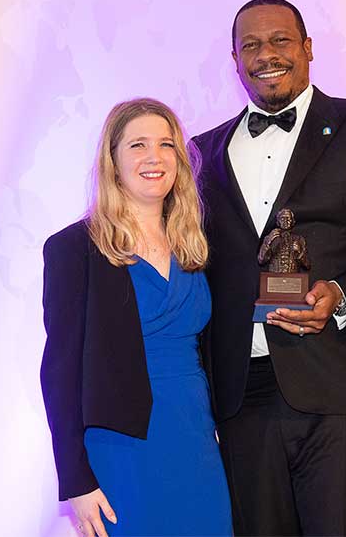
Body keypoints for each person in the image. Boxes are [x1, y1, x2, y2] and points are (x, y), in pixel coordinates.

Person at [192, 0, 346, 536]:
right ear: (234, 59)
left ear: (307, 48)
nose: (266, 55)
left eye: (280, 40)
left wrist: (343, 294)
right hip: (242, 397)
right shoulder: (200, 152)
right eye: (250, 45)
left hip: (344, 388)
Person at [40, 98, 233, 537]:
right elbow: (59, 371)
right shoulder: (75, 248)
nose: (154, 157)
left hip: (197, 439)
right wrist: (75, 479)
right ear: (113, 161)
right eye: (137, 145)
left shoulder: (196, 244)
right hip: (120, 447)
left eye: (167, 145)